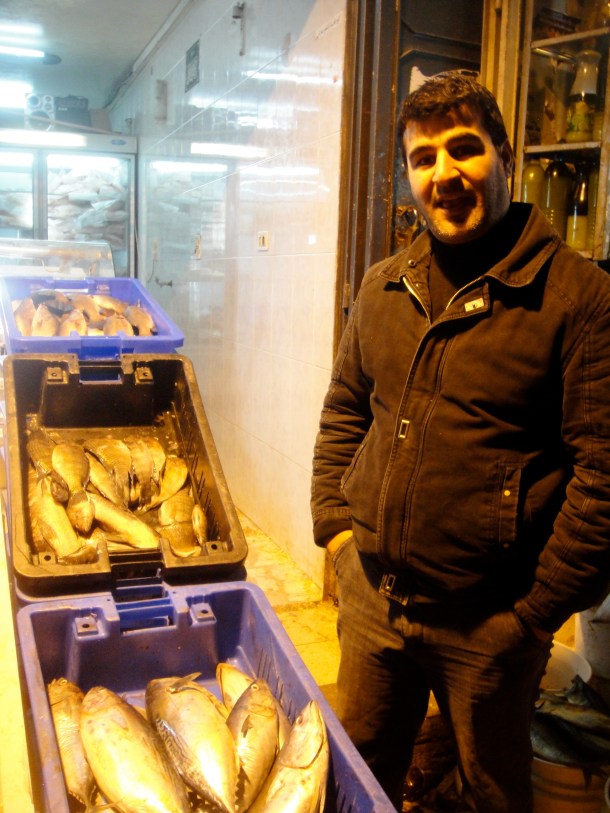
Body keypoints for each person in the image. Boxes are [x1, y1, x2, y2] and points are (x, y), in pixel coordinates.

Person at [310, 70, 610, 813]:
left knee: (492, 794)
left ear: (504, 154)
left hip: (491, 625)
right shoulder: (384, 286)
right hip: (375, 601)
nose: (443, 173)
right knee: (360, 773)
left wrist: (532, 616)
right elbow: (345, 411)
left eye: (464, 148)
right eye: (423, 157)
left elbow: (603, 478)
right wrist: (339, 540)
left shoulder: (576, 298)